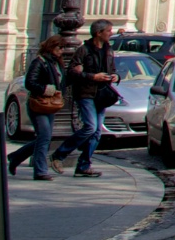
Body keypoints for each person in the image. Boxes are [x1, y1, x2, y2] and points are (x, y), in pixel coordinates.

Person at [51, 20, 117, 178]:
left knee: (96, 133)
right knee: (90, 127)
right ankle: (59, 155)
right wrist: (93, 76)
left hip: (102, 95)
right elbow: (72, 73)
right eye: (108, 30)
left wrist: (115, 76)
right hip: (86, 93)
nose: (111, 33)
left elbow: (113, 69)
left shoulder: (109, 50)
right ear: (98, 33)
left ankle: (84, 166)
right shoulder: (84, 50)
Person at [7, 35, 67, 180]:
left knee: (44, 137)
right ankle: (40, 170)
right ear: (52, 47)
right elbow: (30, 82)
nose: (62, 51)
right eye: (60, 48)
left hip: (50, 104)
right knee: (44, 136)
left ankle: (16, 156)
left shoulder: (56, 62)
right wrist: (45, 89)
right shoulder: (40, 62)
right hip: (38, 104)